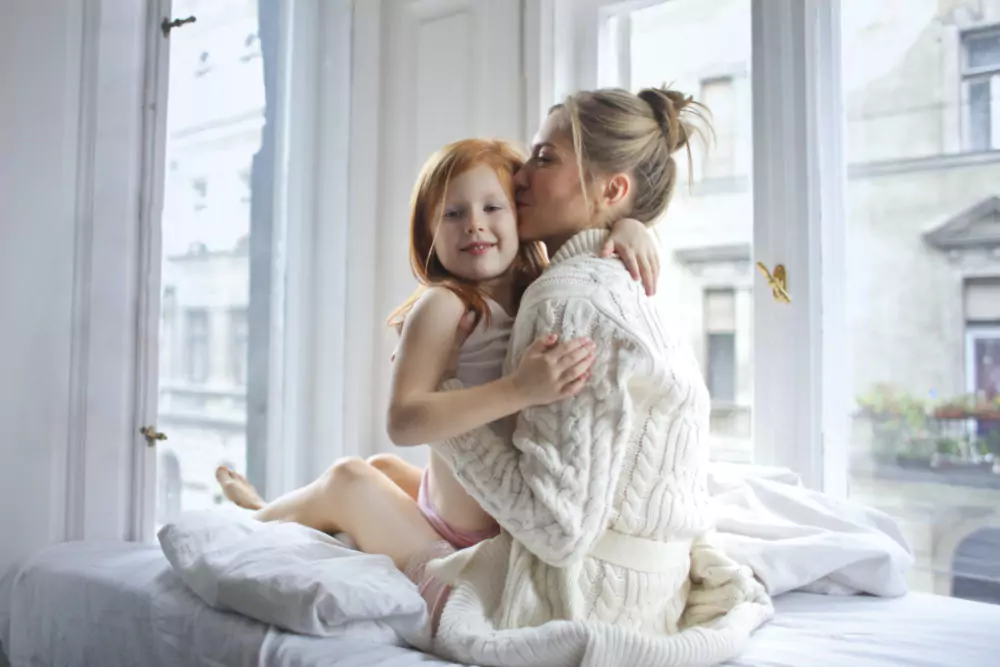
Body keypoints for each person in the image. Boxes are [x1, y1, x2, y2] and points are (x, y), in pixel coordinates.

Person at [214, 137, 659, 626]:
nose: (474, 224)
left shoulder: (542, 288)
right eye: (452, 214)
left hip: (490, 520)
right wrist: (519, 389)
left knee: (382, 469)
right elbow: (403, 420)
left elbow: (593, 239)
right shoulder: (445, 304)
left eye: (493, 207)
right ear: (428, 234)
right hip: (458, 542)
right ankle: (254, 523)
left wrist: (632, 227)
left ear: (520, 217)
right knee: (349, 477)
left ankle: (289, 513)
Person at [407, 87, 774, 667]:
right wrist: (629, 226)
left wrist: (446, 409)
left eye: (545, 158)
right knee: (380, 478)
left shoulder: (568, 299)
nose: (520, 176)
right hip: (656, 589)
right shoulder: (624, 281)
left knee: (359, 486)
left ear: (612, 190)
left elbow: (556, 532)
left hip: (591, 600)